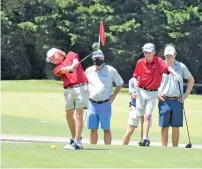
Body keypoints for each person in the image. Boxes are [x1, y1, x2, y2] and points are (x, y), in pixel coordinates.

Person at [133, 43, 178, 146]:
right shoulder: (140, 62)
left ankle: (145, 138)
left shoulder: (159, 61)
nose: (146, 54)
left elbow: (167, 68)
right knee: (141, 116)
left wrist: (174, 73)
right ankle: (143, 137)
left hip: (153, 93)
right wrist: (135, 83)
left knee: (147, 116)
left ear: (153, 52)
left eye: (148, 52)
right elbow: (135, 76)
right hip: (141, 91)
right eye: (145, 52)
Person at [46, 48, 89, 150]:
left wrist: (73, 66)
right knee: (68, 115)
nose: (53, 60)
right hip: (68, 90)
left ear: (59, 53)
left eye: (53, 57)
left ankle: (78, 142)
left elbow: (75, 60)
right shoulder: (57, 68)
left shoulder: (70, 54)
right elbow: (62, 70)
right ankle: (74, 138)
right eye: (51, 60)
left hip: (81, 87)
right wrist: (68, 68)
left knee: (79, 114)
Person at [158, 45, 194, 147]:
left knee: (175, 126)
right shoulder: (160, 66)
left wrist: (186, 95)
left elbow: (191, 80)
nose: (168, 57)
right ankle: (164, 149)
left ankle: (175, 148)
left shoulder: (181, 66)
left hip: (177, 100)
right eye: (167, 56)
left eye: (170, 55)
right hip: (164, 99)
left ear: (175, 55)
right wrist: (156, 93)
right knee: (164, 126)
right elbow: (152, 80)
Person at [85, 49, 124, 145]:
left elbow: (120, 83)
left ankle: (108, 149)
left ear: (103, 58)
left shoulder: (110, 70)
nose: (97, 60)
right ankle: (93, 148)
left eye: (99, 58)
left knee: (106, 128)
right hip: (91, 103)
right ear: (93, 59)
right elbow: (85, 84)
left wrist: (113, 96)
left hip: (105, 103)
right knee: (93, 129)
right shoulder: (89, 70)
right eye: (95, 58)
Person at [122, 78, 152, 145]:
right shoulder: (132, 80)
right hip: (135, 107)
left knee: (144, 132)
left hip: (146, 108)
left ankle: (143, 149)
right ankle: (123, 146)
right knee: (130, 130)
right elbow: (133, 96)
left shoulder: (149, 78)